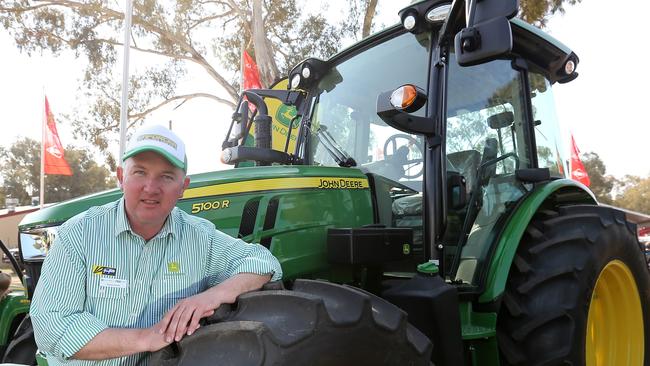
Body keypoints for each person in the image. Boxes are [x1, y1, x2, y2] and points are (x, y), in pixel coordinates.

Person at [30, 124, 282, 365]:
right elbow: (51, 326)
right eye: (139, 172)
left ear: (183, 187)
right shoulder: (78, 234)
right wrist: (146, 338)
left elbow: (263, 262)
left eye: (166, 176)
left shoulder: (200, 238)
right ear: (121, 177)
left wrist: (212, 296)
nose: (151, 188)